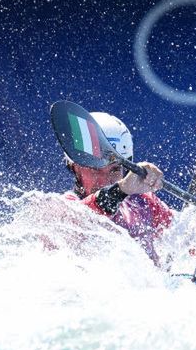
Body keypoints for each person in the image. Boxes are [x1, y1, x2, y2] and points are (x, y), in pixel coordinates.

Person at [61, 112, 174, 267]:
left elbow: (187, 239)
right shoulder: (62, 210)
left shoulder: (144, 202)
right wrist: (120, 190)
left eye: (114, 170)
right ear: (74, 167)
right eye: (95, 168)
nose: (104, 180)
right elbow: (84, 217)